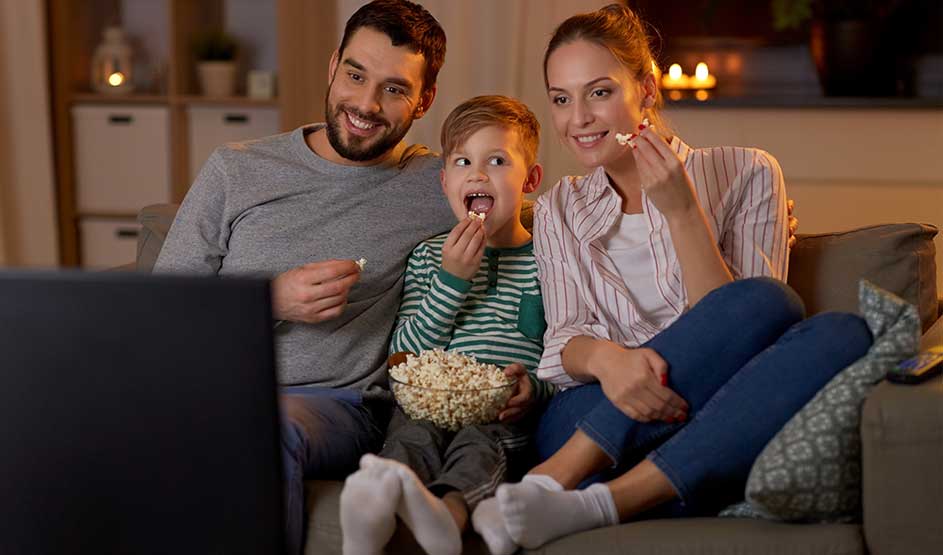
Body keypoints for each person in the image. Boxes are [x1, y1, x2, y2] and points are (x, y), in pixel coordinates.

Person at [469, 5, 873, 554]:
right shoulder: (561, 206)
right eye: (561, 98)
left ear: (647, 89)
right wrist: (613, 363)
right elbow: (563, 340)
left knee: (840, 331)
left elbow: (750, 331)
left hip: (709, 411)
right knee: (764, 319)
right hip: (588, 414)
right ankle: (571, 474)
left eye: (599, 92)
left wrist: (683, 213)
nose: (578, 118)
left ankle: (588, 498)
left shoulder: (748, 172)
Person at [152, 2, 453, 553]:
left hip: (333, 407)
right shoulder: (236, 168)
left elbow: (538, 214)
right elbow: (164, 310)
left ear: (424, 100)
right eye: (355, 75)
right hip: (212, 389)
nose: (364, 104)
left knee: (263, 430)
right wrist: (268, 300)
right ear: (333, 64)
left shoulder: (439, 185)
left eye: (393, 89)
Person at [339, 95, 554, 555]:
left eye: (497, 160)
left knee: (481, 447)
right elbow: (405, 357)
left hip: (499, 413)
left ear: (531, 180)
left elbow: (560, 357)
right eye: (462, 161)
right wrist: (451, 281)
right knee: (410, 437)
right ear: (445, 181)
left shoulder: (550, 263)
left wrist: (533, 390)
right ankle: (374, 507)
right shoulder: (426, 258)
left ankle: (448, 513)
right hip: (425, 403)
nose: (478, 174)